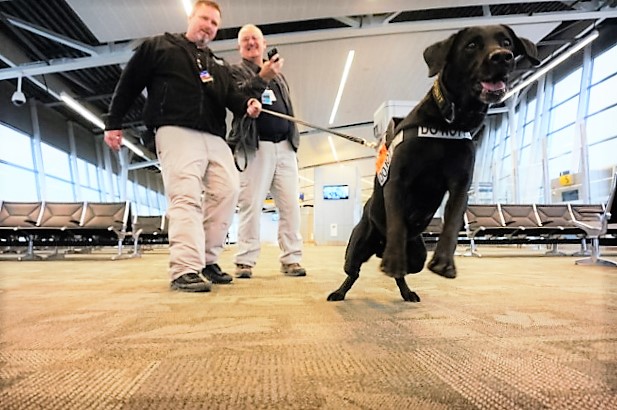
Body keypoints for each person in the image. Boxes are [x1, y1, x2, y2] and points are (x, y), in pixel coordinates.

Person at [103, 1, 261, 292]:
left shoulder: (218, 65)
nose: (209, 26)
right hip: (174, 129)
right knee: (186, 196)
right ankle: (184, 269)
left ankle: (207, 260)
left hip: (214, 137)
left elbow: (232, 98)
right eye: (205, 19)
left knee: (229, 192)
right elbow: (129, 83)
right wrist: (114, 122)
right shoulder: (159, 47)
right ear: (191, 17)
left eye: (215, 23)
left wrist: (247, 104)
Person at [228, 24, 306, 279]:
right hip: (254, 146)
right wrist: (262, 76)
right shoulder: (234, 71)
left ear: (263, 44)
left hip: (285, 146)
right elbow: (237, 96)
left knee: (290, 205)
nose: (251, 43)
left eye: (255, 39)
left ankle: (292, 258)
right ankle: (245, 261)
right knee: (251, 204)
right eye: (245, 40)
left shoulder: (279, 75)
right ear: (240, 47)